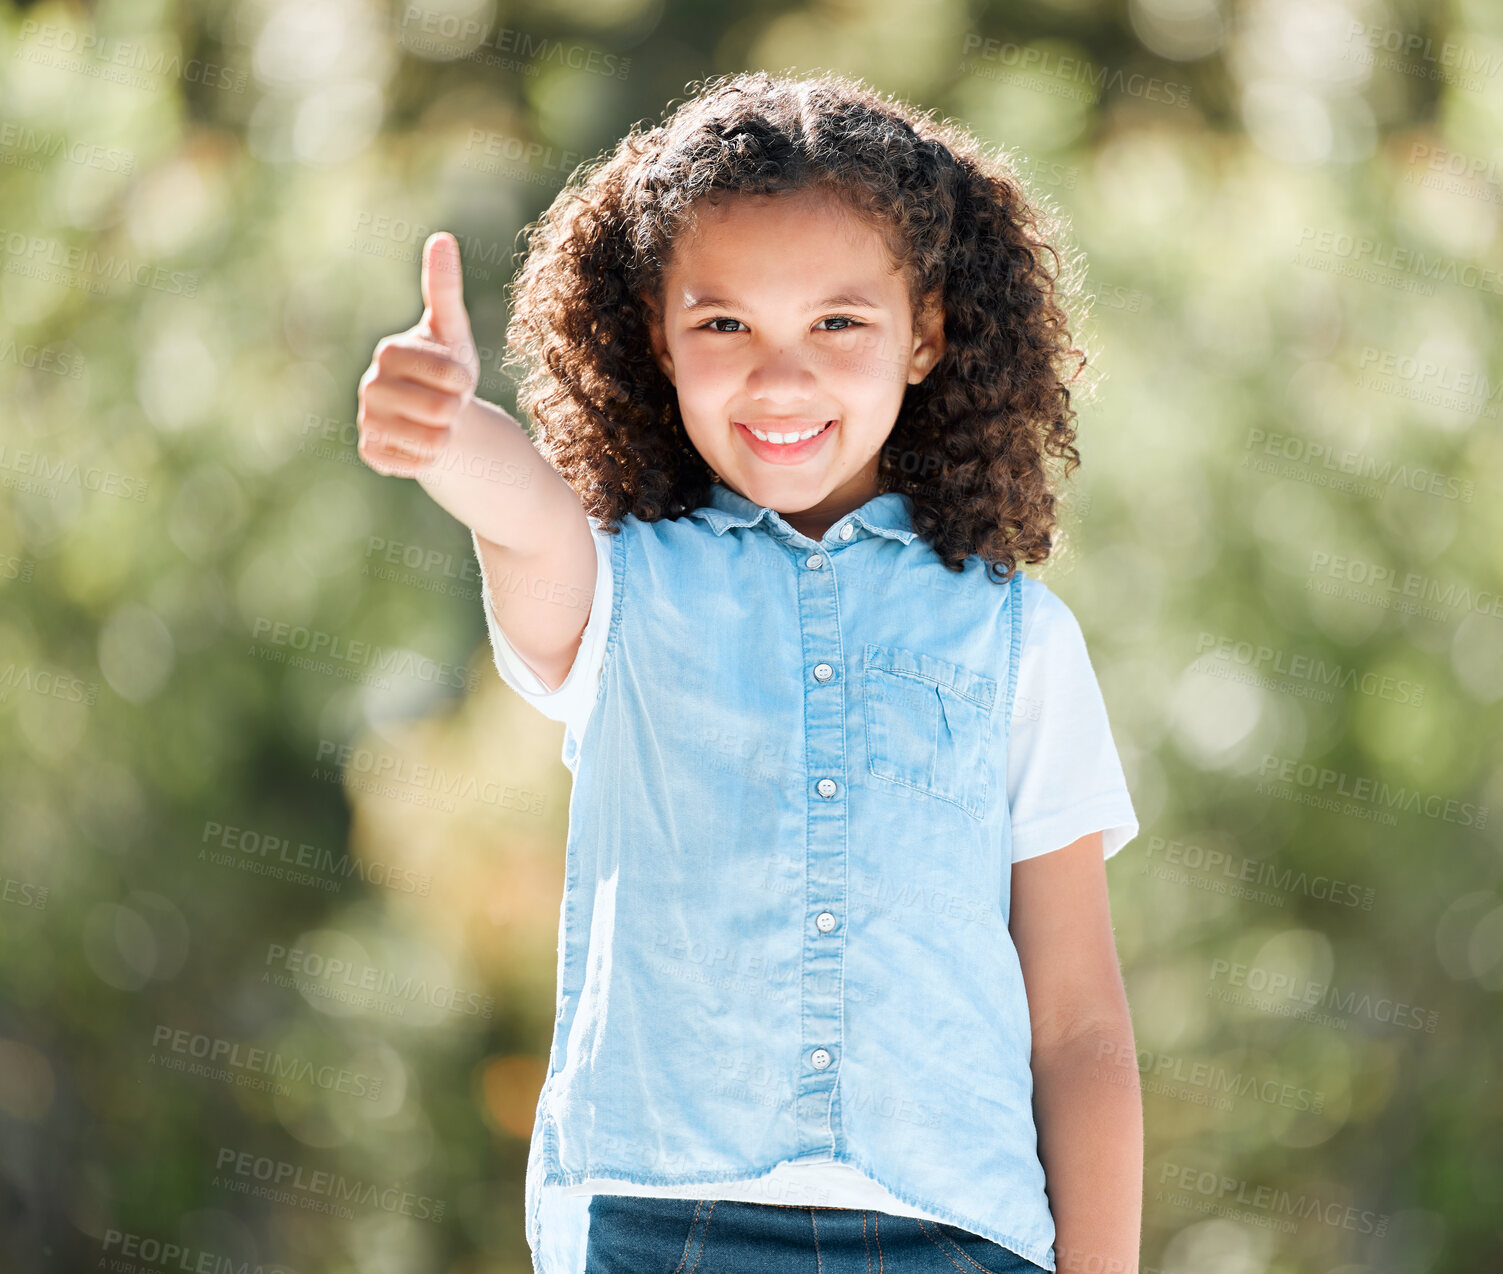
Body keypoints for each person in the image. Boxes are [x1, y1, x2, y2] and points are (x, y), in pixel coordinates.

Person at [356, 69, 1142, 1274]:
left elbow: (1080, 1021)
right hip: (662, 1220)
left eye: (838, 322)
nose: (781, 377)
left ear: (925, 332)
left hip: (955, 1231)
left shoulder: (1019, 636)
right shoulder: (626, 582)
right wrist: (454, 429)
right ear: (656, 338)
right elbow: (528, 529)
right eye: (724, 324)